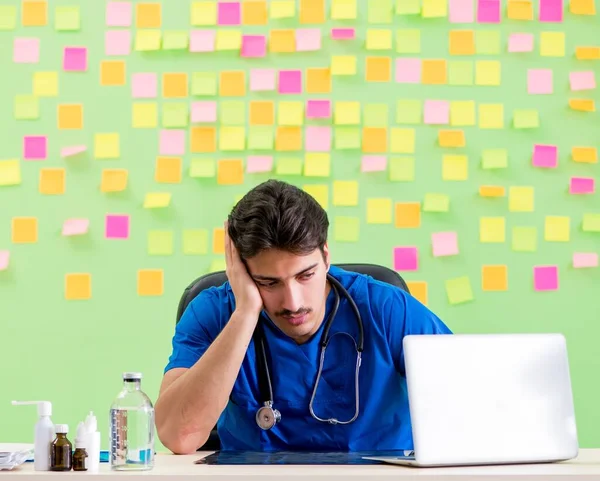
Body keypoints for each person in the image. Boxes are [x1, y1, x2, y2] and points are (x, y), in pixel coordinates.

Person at [155, 179, 452, 454]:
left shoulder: (386, 308)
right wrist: (246, 312)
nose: (293, 303)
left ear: (325, 256)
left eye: (306, 275)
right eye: (268, 282)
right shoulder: (214, 312)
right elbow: (180, 437)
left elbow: (473, 402)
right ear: (241, 272)